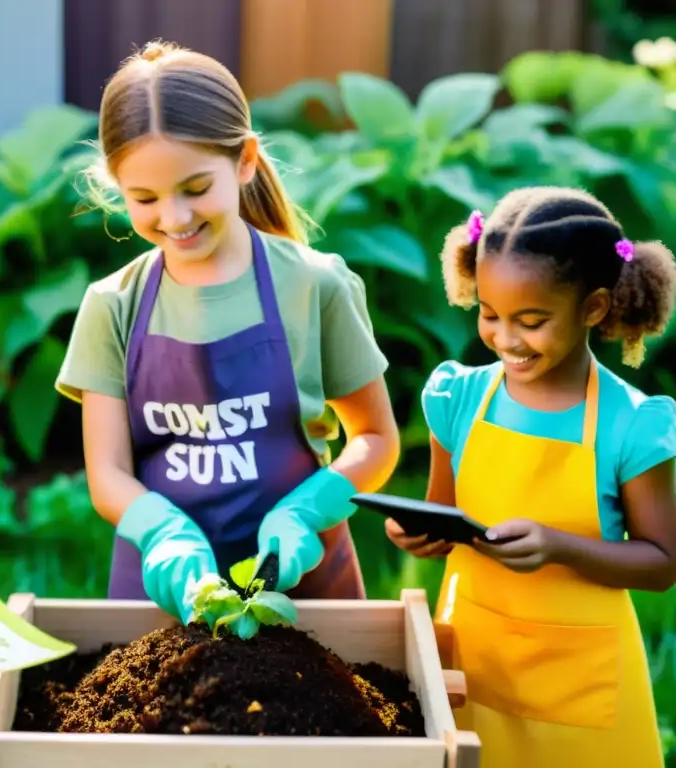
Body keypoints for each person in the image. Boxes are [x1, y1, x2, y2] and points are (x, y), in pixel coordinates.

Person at [55, 40, 400, 627]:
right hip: (162, 594)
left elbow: (375, 438)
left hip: (301, 590)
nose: (175, 218)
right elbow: (108, 473)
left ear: (243, 161)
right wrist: (161, 532)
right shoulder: (111, 306)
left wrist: (305, 513)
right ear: (117, 186)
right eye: (144, 198)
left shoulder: (315, 286)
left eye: (195, 189)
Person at [387, 186, 676, 767]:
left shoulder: (631, 425)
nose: (506, 338)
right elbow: (446, 522)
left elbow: (663, 562)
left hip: (582, 694)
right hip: (474, 664)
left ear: (593, 309)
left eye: (532, 320)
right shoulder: (458, 399)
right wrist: (419, 534)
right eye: (490, 314)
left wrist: (559, 548)